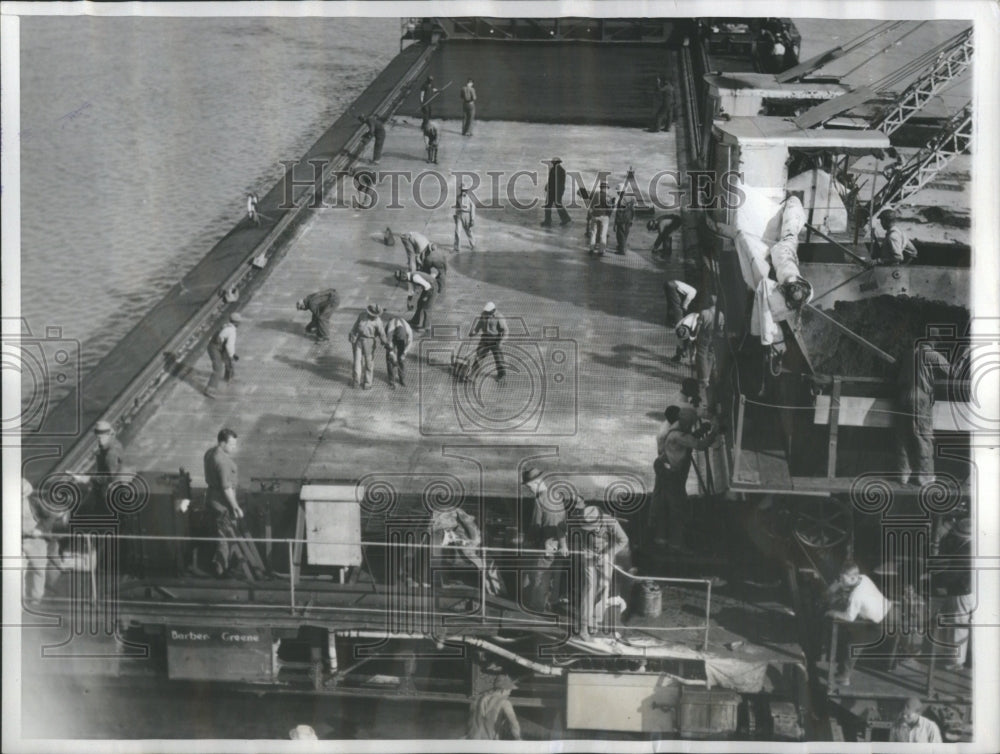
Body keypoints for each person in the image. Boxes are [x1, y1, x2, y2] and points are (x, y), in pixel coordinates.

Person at [651, 410, 719, 550]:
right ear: (687, 423)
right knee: (677, 505)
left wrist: (701, 431)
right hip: (669, 472)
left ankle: (661, 538)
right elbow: (699, 445)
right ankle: (676, 543)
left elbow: (689, 439)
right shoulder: (678, 434)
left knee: (664, 501)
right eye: (691, 424)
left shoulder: (676, 428)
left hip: (663, 466)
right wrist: (714, 432)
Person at [825, 559, 892, 686]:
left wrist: (833, 612)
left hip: (881, 625)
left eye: (843, 579)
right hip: (890, 612)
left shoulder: (856, 596)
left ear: (852, 577)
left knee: (853, 645)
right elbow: (851, 588)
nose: (841, 581)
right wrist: (840, 584)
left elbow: (849, 617)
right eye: (840, 578)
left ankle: (844, 677)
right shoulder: (863, 578)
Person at [895, 342, 951, 485]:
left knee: (904, 434)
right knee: (923, 436)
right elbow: (951, 371)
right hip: (920, 396)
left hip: (903, 395)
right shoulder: (929, 353)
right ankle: (925, 476)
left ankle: (903, 474)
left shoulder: (908, 353)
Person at [574, 505, 629, 639]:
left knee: (604, 586)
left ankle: (596, 619)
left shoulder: (611, 522)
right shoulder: (579, 518)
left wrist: (608, 553)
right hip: (588, 553)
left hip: (606, 555)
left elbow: (623, 540)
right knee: (590, 586)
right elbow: (561, 528)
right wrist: (563, 545)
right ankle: (583, 626)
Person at [203, 428, 247, 578]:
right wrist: (236, 507)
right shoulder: (222, 461)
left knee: (219, 535)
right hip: (222, 504)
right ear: (222, 443)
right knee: (225, 537)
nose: (234, 448)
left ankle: (226, 565)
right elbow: (226, 488)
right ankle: (221, 572)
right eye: (232, 444)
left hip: (211, 499)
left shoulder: (210, 453)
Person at [935, 517, 973, 670]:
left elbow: (955, 572)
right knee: (952, 621)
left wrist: (937, 581)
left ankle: (957, 662)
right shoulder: (965, 544)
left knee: (958, 623)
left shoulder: (968, 549)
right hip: (958, 589)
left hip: (963, 590)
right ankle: (949, 654)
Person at [21, 478, 66, 606]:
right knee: (17, 571)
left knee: (38, 569)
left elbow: (51, 516)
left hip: (36, 541)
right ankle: (20, 599)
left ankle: (36, 598)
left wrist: (39, 529)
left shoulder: (34, 503)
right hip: (17, 540)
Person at [521, 467, 569, 555]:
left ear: (536, 483)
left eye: (529, 487)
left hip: (546, 545)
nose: (530, 490)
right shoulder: (557, 495)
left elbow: (536, 525)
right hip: (561, 543)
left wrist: (527, 542)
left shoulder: (539, 500)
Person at [348, 304, 388, 389]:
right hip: (359, 340)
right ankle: (356, 381)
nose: (373, 316)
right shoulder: (362, 315)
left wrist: (385, 343)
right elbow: (355, 326)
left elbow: (382, 334)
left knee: (369, 363)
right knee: (357, 362)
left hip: (369, 341)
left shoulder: (378, 321)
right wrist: (352, 335)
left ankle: (368, 383)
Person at [696, 295, 724, 412]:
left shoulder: (703, 312)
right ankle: (711, 372)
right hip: (715, 336)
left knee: (702, 354)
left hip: (704, 335)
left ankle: (704, 377)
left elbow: (698, 326)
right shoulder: (721, 314)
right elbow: (722, 327)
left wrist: (695, 336)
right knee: (711, 354)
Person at [205, 313, 242, 399]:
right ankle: (210, 389)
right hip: (215, 348)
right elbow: (229, 345)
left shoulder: (225, 326)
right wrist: (232, 355)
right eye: (239, 322)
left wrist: (230, 355)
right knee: (218, 368)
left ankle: (228, 377)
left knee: (228, 360)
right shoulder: (232, 331)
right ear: (236, 323)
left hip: (216, 346)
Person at [471, 302, 508, 381]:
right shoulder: (484, 314)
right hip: (485, 339)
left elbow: (505, 331)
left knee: (498, 358)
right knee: (479, 356)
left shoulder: (499, 317)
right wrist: (474, 332)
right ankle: (472, 374)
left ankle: (502, 374)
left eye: (488, 312)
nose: (486, 313)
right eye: (486, 311)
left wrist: (501, 342)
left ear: (493, 310)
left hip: (495, 340)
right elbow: (479, 325)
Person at [399, 231, 433, 306]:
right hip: (406, 238)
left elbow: (422, 256)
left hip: (411, 237)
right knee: (412, 257)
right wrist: (420, 264)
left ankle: (413, 270)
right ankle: (412, 272)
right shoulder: (422, 247)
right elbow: (418, 257)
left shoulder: (426, 243)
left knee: (415, 260)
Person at [541, 157, 571, 227]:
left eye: (555, 163)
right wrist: (547, 186)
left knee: (557, 205)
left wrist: (557, 191)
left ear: (558, 163)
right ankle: (548, 221)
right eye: (553, 163)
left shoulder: (561, 170)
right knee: (548, 205)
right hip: (552, 190)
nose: (554, 164)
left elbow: (560, 183)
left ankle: (565, 219)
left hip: (557, 191)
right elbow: (551, 180)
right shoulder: (553, 170)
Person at [384, 315, 413, 389]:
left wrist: (404, 353)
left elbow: (410, 342)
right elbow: (388, 342)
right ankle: (391, 380)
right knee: (390, 359)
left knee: (402, 360)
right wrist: (391, 353)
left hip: (401, 338)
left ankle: (402, 379)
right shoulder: (390, 328)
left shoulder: (408, 329)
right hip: (391, 338)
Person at [587, 180, 613, 256]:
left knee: (593, 233)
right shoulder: (608, 197)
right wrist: (608, 216)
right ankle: (601, 251)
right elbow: (610, 209)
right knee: (603, 234)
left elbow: (591, 206)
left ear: (601, 187)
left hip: (594, 216)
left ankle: (591, 249)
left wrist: (591, 214)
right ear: (606, 188)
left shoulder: (595, 195)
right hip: (604, 217)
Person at [611, 183, 636, 255]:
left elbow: (619, 212)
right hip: (628, 219)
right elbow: (633, 210)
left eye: (618, 191)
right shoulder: (631, 198)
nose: (617, 193)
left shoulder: (621, 199)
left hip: (622, 220)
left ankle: (621, 250)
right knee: (625, 234)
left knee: (620, 234)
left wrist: (615, 222)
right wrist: (632, 219)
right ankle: (622, 247)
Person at [454, 183, 476, 252]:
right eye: (462, 190)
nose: (463, 191)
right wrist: (456, 215)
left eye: (465, 190)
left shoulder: (470, 198)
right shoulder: (458, 197)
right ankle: (457, 247)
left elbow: (473, 208)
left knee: (468, 231)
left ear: (466, 191)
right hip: (459, 215)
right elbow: (457, 207)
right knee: (457, 231)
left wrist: (472, 219)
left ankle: (473, 244)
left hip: (467, 215)